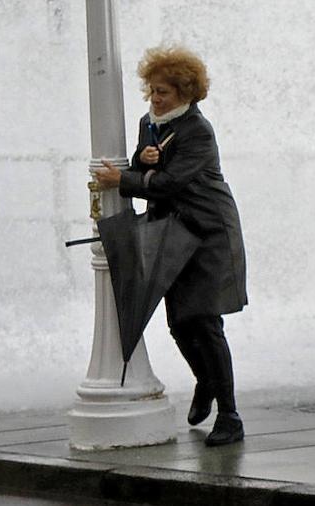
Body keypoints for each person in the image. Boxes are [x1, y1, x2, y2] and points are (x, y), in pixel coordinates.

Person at [93, 46, 248, 447]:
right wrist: (139, 160)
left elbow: (172, 183)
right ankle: (205, 383)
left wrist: (125, 180)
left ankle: (230, 416)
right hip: (173, 231)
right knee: (179, 322)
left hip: (209, 231)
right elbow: (148, 171)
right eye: (152, 91)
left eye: (163, 92)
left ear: (185, 92)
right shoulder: (151, 123)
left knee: (206, 322)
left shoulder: (198, 130)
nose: (155, 99)